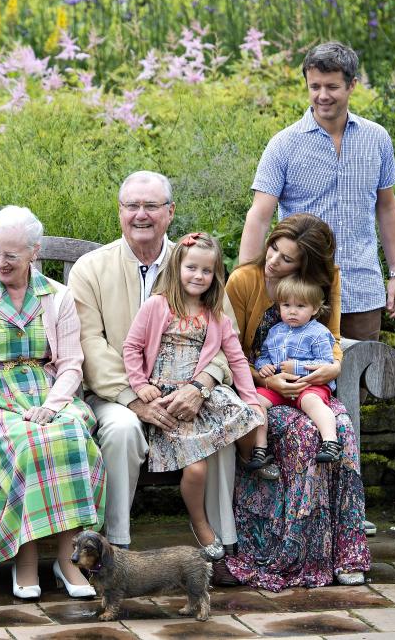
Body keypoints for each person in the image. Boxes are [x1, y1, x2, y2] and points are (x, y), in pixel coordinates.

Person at [68, 171, 247, 564]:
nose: (141, 215)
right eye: (131, 206)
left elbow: (226, 335)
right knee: (121, 431)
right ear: (119, 212)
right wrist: (135, 398)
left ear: (170, 212)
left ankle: (223, 544)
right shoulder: (91, 269)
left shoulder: (194, 262)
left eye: (151, 206)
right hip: (117, 394)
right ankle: (116, 546)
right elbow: (89, 343)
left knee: (218, 426)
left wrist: (200, 386)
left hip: (188, 390)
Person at [0, 206, 102, 600]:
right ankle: (26, 557)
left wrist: (52, 405)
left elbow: (70, 363)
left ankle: (69, 561)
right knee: (27, 444)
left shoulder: (57, 296)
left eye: (11, 256)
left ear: (35, 251)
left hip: (46, 391)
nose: (1, 263)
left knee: (71, 435)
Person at [225, 213, 370, 590]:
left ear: (306, 265)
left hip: (311, 385)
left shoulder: (325, 282)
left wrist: (332, 368)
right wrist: (268, 378)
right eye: (274, 247)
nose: (273, 260)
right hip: (262, 389)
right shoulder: (245, 280)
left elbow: (333, 338)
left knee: (341, 430)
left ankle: (346, 553)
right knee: (304, 435)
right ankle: (299, 552)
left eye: (286, 258)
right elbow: (231, 351)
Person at [239, 41, 395, 341]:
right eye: (314, 86)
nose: (322, 95)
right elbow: (259, 217)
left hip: (362, 287)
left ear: (352, 85)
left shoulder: (377, 138)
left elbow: (387, 207)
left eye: (332, 86)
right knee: (299, 378)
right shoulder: (284, 144)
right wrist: (247, 283)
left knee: (360, 379)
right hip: (300, 291)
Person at [123, 232, 265, 561]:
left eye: (206, 271)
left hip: (198, 398)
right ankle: (200, 523)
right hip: (168, 403)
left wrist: (252, 398)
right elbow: (131, 348)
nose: (198, 276)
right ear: (177, 267)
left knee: (249, 416)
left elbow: (237, 360)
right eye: (192, 268)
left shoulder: (216, 316)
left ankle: (255, 460)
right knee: (197, 470)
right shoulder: (156, 306)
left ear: (215, 276)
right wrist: (139, 385)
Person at [253, 276, 341, 464]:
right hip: (279, 386)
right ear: (279, 307)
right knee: (256, 401)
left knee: (312, 402)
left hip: (309, 385)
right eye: (286, 305)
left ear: (315, 309)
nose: (292, 311)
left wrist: (297, 367)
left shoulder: (318, 332)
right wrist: (264, 366)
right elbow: (265, 355)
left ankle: (331, 442)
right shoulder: (275, 331)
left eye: (300, 306)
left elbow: (325, 362)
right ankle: (260, 449)